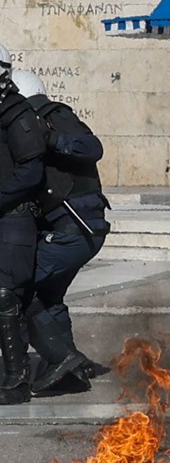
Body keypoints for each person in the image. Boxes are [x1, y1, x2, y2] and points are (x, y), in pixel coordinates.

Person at [5, 70, 111, 397]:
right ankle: (71, 367)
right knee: (49, 296)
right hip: (73, 228)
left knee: (19, 291)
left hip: (75, 226)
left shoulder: (50, 115)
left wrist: (51, 138)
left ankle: (62, 358)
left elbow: (92, 147)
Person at [0, 46, 49, 405]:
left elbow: (30, 170)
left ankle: (17, 382)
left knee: (5, 297)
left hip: (15, 218)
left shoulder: (17, 113)